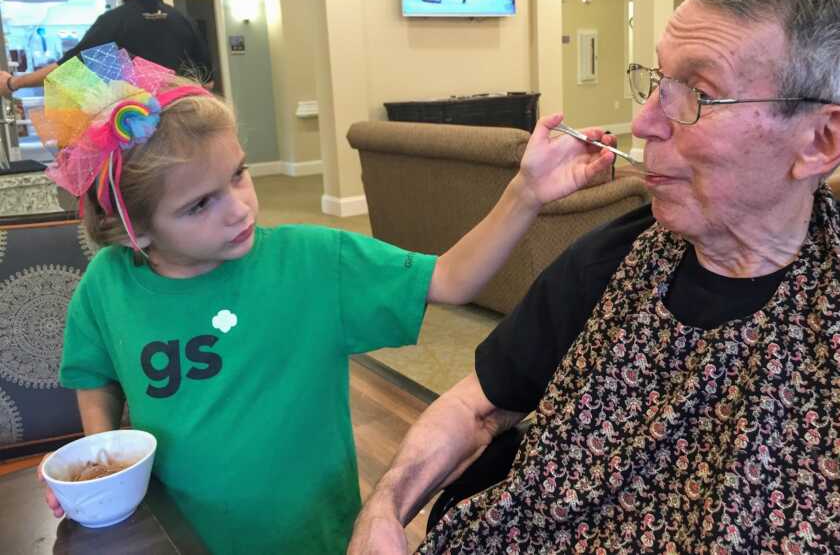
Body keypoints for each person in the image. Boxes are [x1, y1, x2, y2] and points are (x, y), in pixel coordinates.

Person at [349, 0, 840, 554]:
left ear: (822, 140)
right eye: (660, 80)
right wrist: (385, 507)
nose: (642, 123)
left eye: (697, 93)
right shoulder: (612, 255)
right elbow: (477, 407)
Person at [33, 43, 616, 554]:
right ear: (135, 229)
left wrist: (526, 192)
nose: (238, 208)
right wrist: (101, 465)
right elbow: (95, 375)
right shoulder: (107, 284)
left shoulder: (315, 262)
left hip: (313, 538)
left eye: (237, 175)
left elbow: (450, 280)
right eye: (198, 204)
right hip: (176, 538)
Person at [0, 0, 211, 99]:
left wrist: (13, 83)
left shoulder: (113, 21)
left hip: (137, 126)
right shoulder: (182, 19)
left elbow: (66, 70)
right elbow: (208, 81)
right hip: (183, 124)